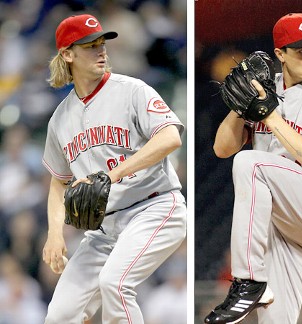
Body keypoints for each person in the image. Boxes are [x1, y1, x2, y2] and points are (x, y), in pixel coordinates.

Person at [204, 12, 302, 324]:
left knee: (250, 162)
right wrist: (240, 106)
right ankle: (253, 285)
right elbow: (222, 148)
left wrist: (270, 116)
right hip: (284, 221)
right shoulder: (266, 88)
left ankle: (248, 281)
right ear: (280, 54)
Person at [41, 14, 187, 323]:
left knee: (115, 284)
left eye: (102, 44)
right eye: (90, 46)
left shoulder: (132, 90)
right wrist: (55, 234)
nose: (101, 51)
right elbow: (59, 182)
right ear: (68, 54)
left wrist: (114, 173)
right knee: (59, 315)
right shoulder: (60, 120)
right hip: (103, 230)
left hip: (154, 207)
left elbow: (171, 136)